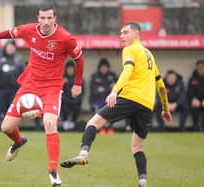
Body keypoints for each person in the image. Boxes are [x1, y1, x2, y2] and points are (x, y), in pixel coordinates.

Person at [0, 4, 84, 186]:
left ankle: (53, 171)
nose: (45, 22)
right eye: (42, 18)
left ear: (55, 18)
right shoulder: (29, 30)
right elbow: (11, 33)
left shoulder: (65, 38)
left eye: (49, 18)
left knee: (49, 123)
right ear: (38, 18)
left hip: (51, 87)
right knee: (6, 127)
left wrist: (77, 83)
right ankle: (18, 142)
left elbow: (79, 59)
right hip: (29, 85)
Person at [60, 22, 172, 187]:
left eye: (126, 32)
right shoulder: (149, 55)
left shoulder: (130, 49)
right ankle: (143, 181)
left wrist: (114, 92)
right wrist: (165, 108)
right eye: (120, 33)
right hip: (147, 105)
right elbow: (160, 84)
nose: (122, 36)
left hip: (129, 97)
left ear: (136, 34)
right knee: (137, 147)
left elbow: (127, 70)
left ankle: (83, 153)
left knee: (93, 123)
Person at [0, 39, 25, 131]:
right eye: (8, 46)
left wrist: (20, 84)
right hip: (0, 89)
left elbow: (23, 74)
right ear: (5, 47)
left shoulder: (19, 59)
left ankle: (13, 129)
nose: (10, 48)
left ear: (15, 48)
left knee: (13, 111)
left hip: (14, 90)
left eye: (12, 47)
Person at [89, 57, 117, 134]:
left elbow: (115, 88)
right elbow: (95, 91)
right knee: (100, 109)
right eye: (102, 67)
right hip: (98, 100)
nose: (104, 68)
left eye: (105, 67)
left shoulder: (112, 75)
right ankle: (102, 128)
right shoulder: (95, 76)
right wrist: (108, 87)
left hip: (110, 99)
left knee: (113, 107)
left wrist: (103, 88)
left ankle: (110, 128)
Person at [61, 60, 84, 131]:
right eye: (68, 69)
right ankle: (65, 124)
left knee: (77, 107)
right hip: (65, 101)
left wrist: (75, 100)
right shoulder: (62, 79)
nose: (70, 70)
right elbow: (61, 92)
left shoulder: (78, 79)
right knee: (63, 106)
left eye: (71, 68)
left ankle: (72, 124)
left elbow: (81, 92)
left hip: (75, 101)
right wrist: (66, 99)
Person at [187, 60, 204, 131]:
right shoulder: (192, 78)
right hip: (195, 100)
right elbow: (189, 91)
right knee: (194, 107)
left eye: (202, 67)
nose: (200, 69)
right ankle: (195, 127)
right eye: (198, 68)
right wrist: (193, 99)